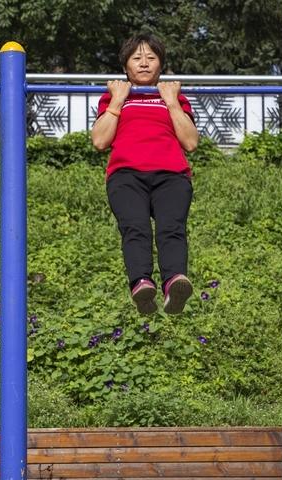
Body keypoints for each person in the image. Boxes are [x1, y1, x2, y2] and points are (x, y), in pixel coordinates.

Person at [91, 34, 199, 315]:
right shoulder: (115, 97)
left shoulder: (174, 97)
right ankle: (141, 285)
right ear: (126, 66)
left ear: (160, 65)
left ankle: (174, 283)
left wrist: (172, 102)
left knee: (171, 229)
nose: (144, 63)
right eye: (136, 58)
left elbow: (191, 142)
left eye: (151, 58)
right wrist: (116, 101)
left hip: (171, 174)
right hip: (126, 175)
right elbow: (100, 141)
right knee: (135, 229)